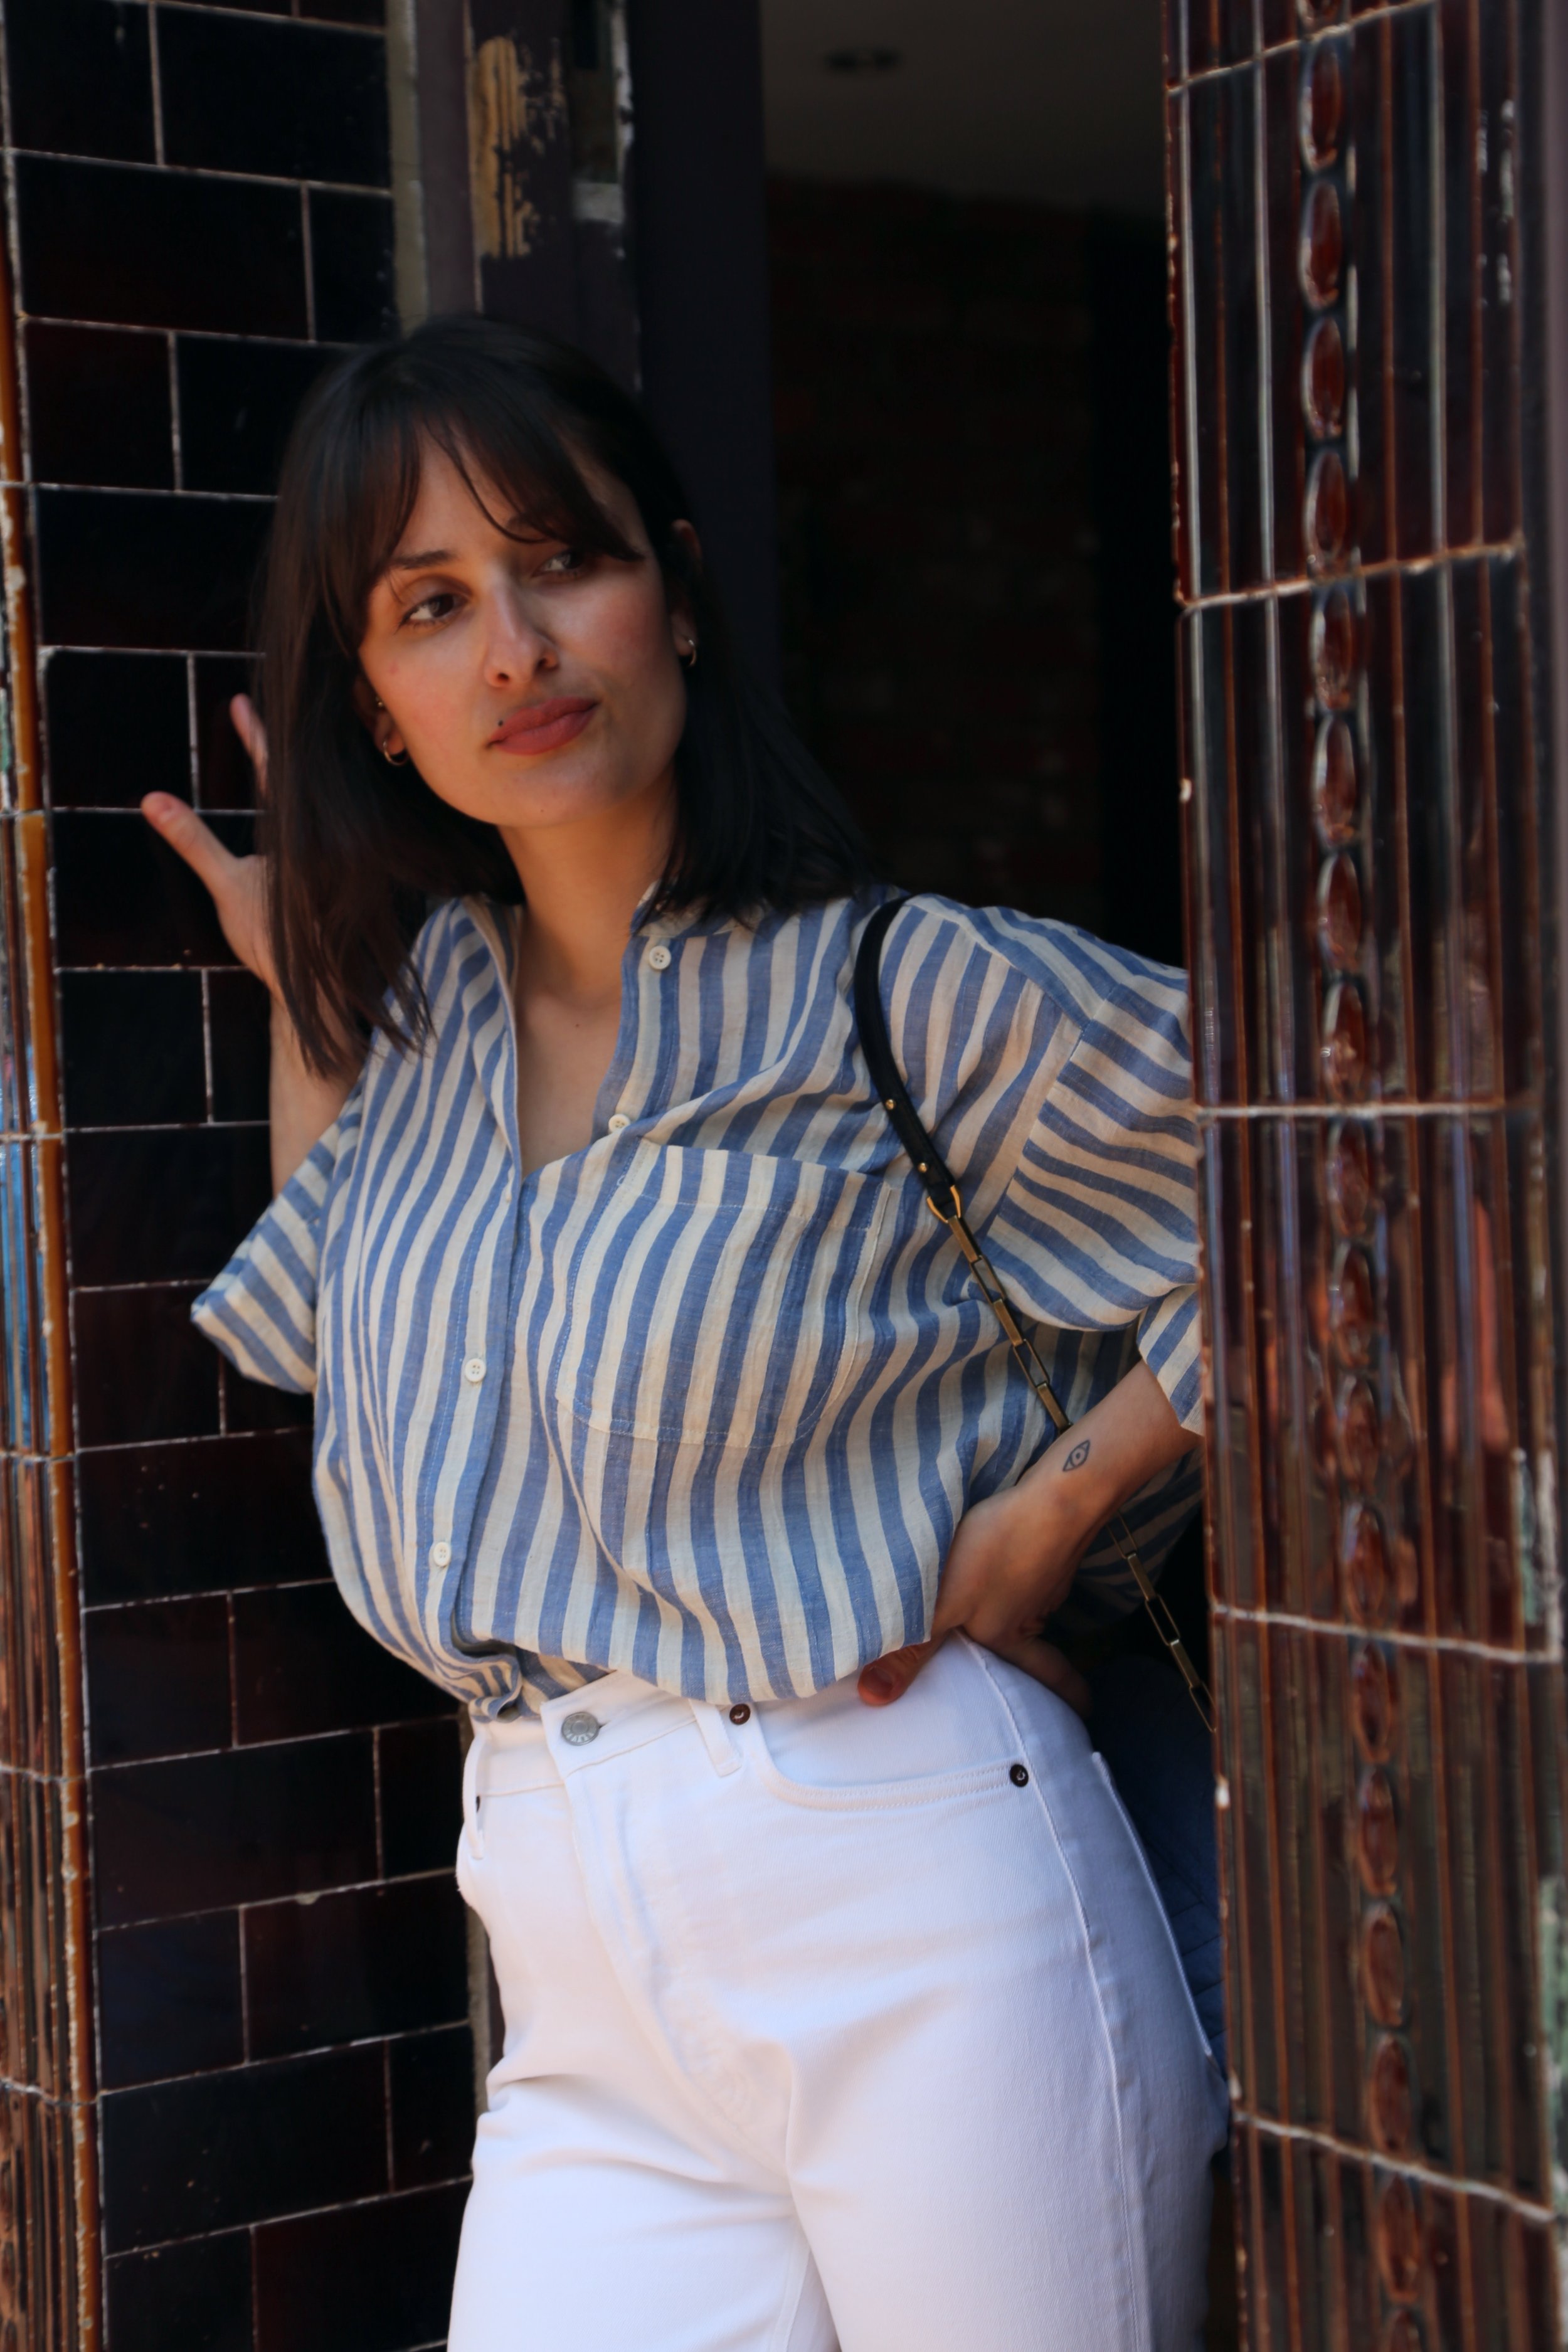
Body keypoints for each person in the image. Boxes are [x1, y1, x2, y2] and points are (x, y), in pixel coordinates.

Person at [146, 316, 1228, 2352]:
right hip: (564, 1939)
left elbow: (1358, 1181)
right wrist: (305, 973)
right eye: (432, 608)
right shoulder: (435, 1025)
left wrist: (1063, 1502)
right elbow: (323, 1343)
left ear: (680, 592)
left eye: (564, 561)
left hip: (912, 1875)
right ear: (376, 706)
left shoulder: (905, 992)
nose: (515, 648)